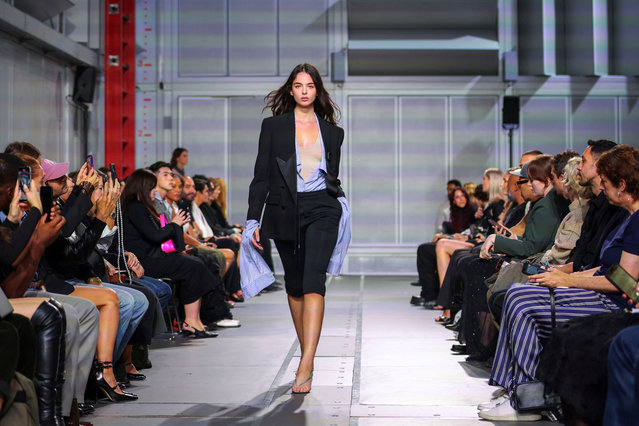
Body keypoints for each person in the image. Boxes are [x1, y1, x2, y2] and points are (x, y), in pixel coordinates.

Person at [479, 145, 639, 422]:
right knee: (518, 292)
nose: (602, 184)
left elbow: (624, 281)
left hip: (616, 303)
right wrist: (564, 278)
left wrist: (568, 280)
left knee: (521, 300)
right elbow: (608, 269)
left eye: (607, 179)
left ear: (621, 185)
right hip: (607, 293)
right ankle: (518, 390)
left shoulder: (635, 220)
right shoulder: (628, 218)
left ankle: (527, 399)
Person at [247, 63, 347, 394]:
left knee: (313, 280)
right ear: (291, 90)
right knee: (293, 283)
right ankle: (308, 354)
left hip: (322, 208)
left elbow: (331, 174)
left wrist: (340, 201)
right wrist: (252, 219)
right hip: (283, 209)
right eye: (298, 85)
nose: (304, 91)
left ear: (317, 91)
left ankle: (306, 362)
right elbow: (261, 175)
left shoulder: (333, 132)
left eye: (310, 86)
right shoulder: (273, 127)